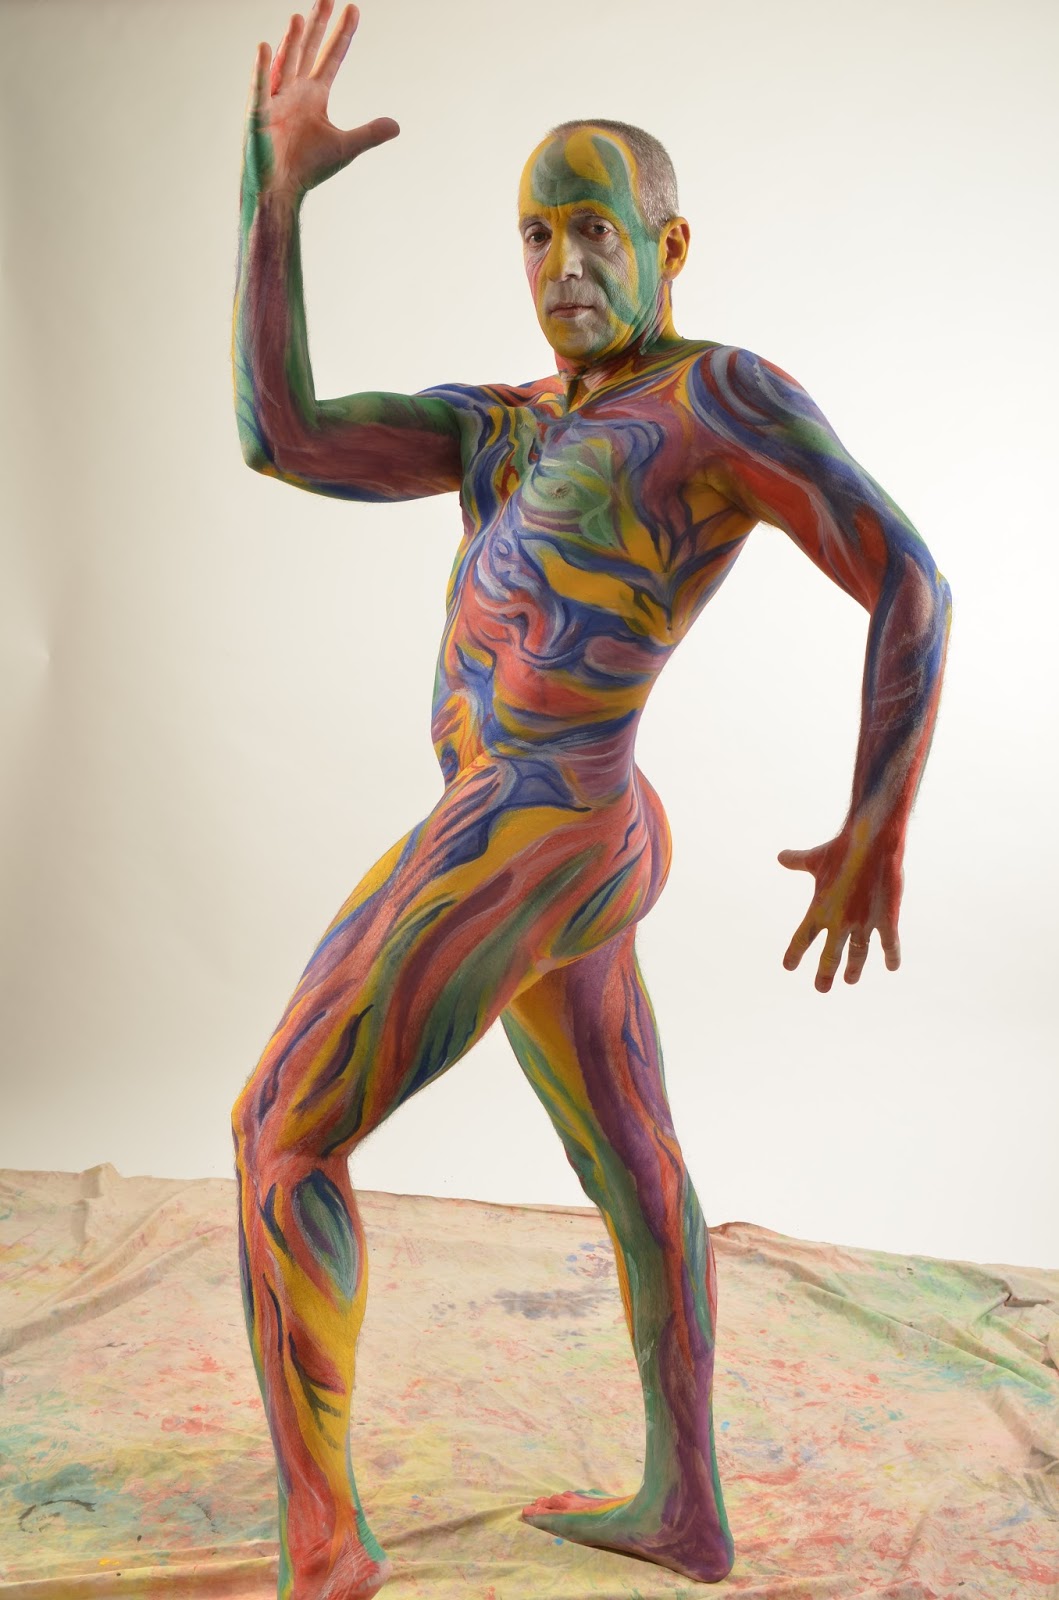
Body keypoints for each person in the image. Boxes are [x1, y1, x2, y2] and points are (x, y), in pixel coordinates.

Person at [231, 3, 951, 1595]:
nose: (563, 261)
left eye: (596, 229)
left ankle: (327, 1541)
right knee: (637, 1171)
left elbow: (909, 578)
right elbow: (280, 437)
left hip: (539, 825)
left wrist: (878, 816)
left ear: (670, 245)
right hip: (577, 834)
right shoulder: (501, 425)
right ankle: (685, 1508)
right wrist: (272, 199)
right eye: (537, 233)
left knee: (279, 1130)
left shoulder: (715, 401)